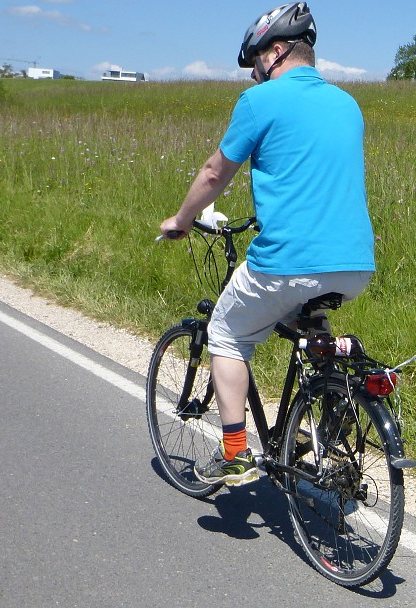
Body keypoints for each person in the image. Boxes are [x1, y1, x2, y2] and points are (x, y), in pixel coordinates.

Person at [159, 2, 375, 485]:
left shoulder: (260, 102)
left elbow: (216, 172)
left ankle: (234, 452)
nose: (254, 72)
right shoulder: (347, 104)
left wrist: (181, 218)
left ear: (276, 52)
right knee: (303, 322)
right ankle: (316, 421)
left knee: (228, 332)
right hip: (356, 264)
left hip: (290, 260)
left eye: (256, 59)